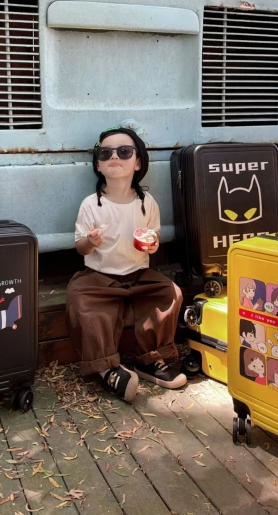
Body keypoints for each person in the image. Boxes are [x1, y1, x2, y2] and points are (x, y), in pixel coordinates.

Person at [66, 127, 187, 403]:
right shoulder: (91, 204)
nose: (114, 157)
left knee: (170, 293)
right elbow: (80, 247)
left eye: (124, 151)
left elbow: (154, 237)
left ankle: (151, 360)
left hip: (140, 275)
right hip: (99, 277)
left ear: (138, 162)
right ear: (98, 165)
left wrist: (153, 243)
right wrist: (90, 242)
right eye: (105, 153)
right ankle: (106, 367)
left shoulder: (147, 202)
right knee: (81, 301)